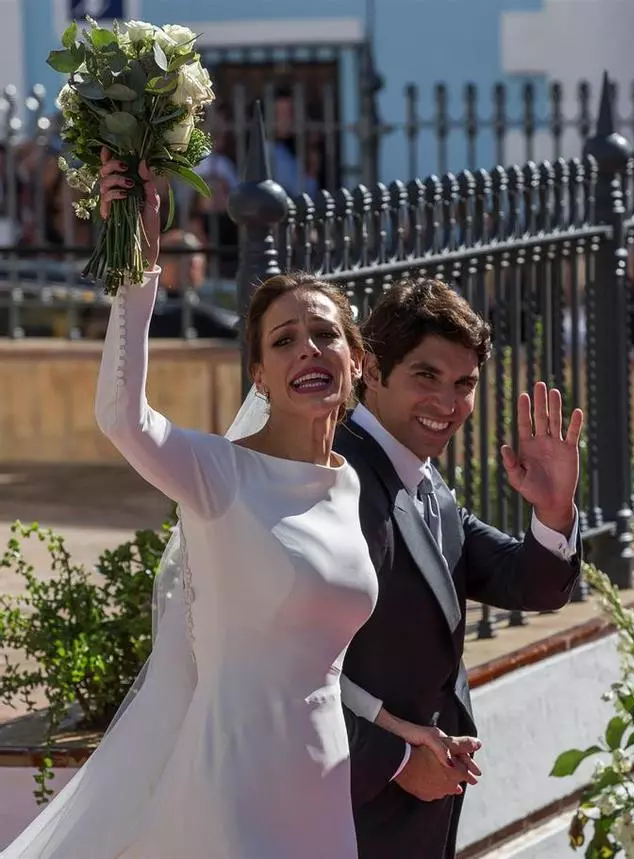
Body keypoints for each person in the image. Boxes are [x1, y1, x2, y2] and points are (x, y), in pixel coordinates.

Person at [2, 151, 375, 859]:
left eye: (326, 334)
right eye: (285, 340)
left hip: (323, 789)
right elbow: (123, 416)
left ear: (356, 359)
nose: (309, 350)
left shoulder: (348, 484)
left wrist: (400, 723)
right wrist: (139, 274)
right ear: (259, 374)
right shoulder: (219, 474)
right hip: (232, 787)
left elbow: (315, 654)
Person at [334, 277, 584, 858]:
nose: (448, 405)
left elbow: (530, 582)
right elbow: (284, 676)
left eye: (464, 384)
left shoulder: (422, 480)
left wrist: (553, 509)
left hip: (425, 807)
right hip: (352, 812)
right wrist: (396, 762)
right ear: (371, 370)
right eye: (427, 376)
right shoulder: (337, 477)